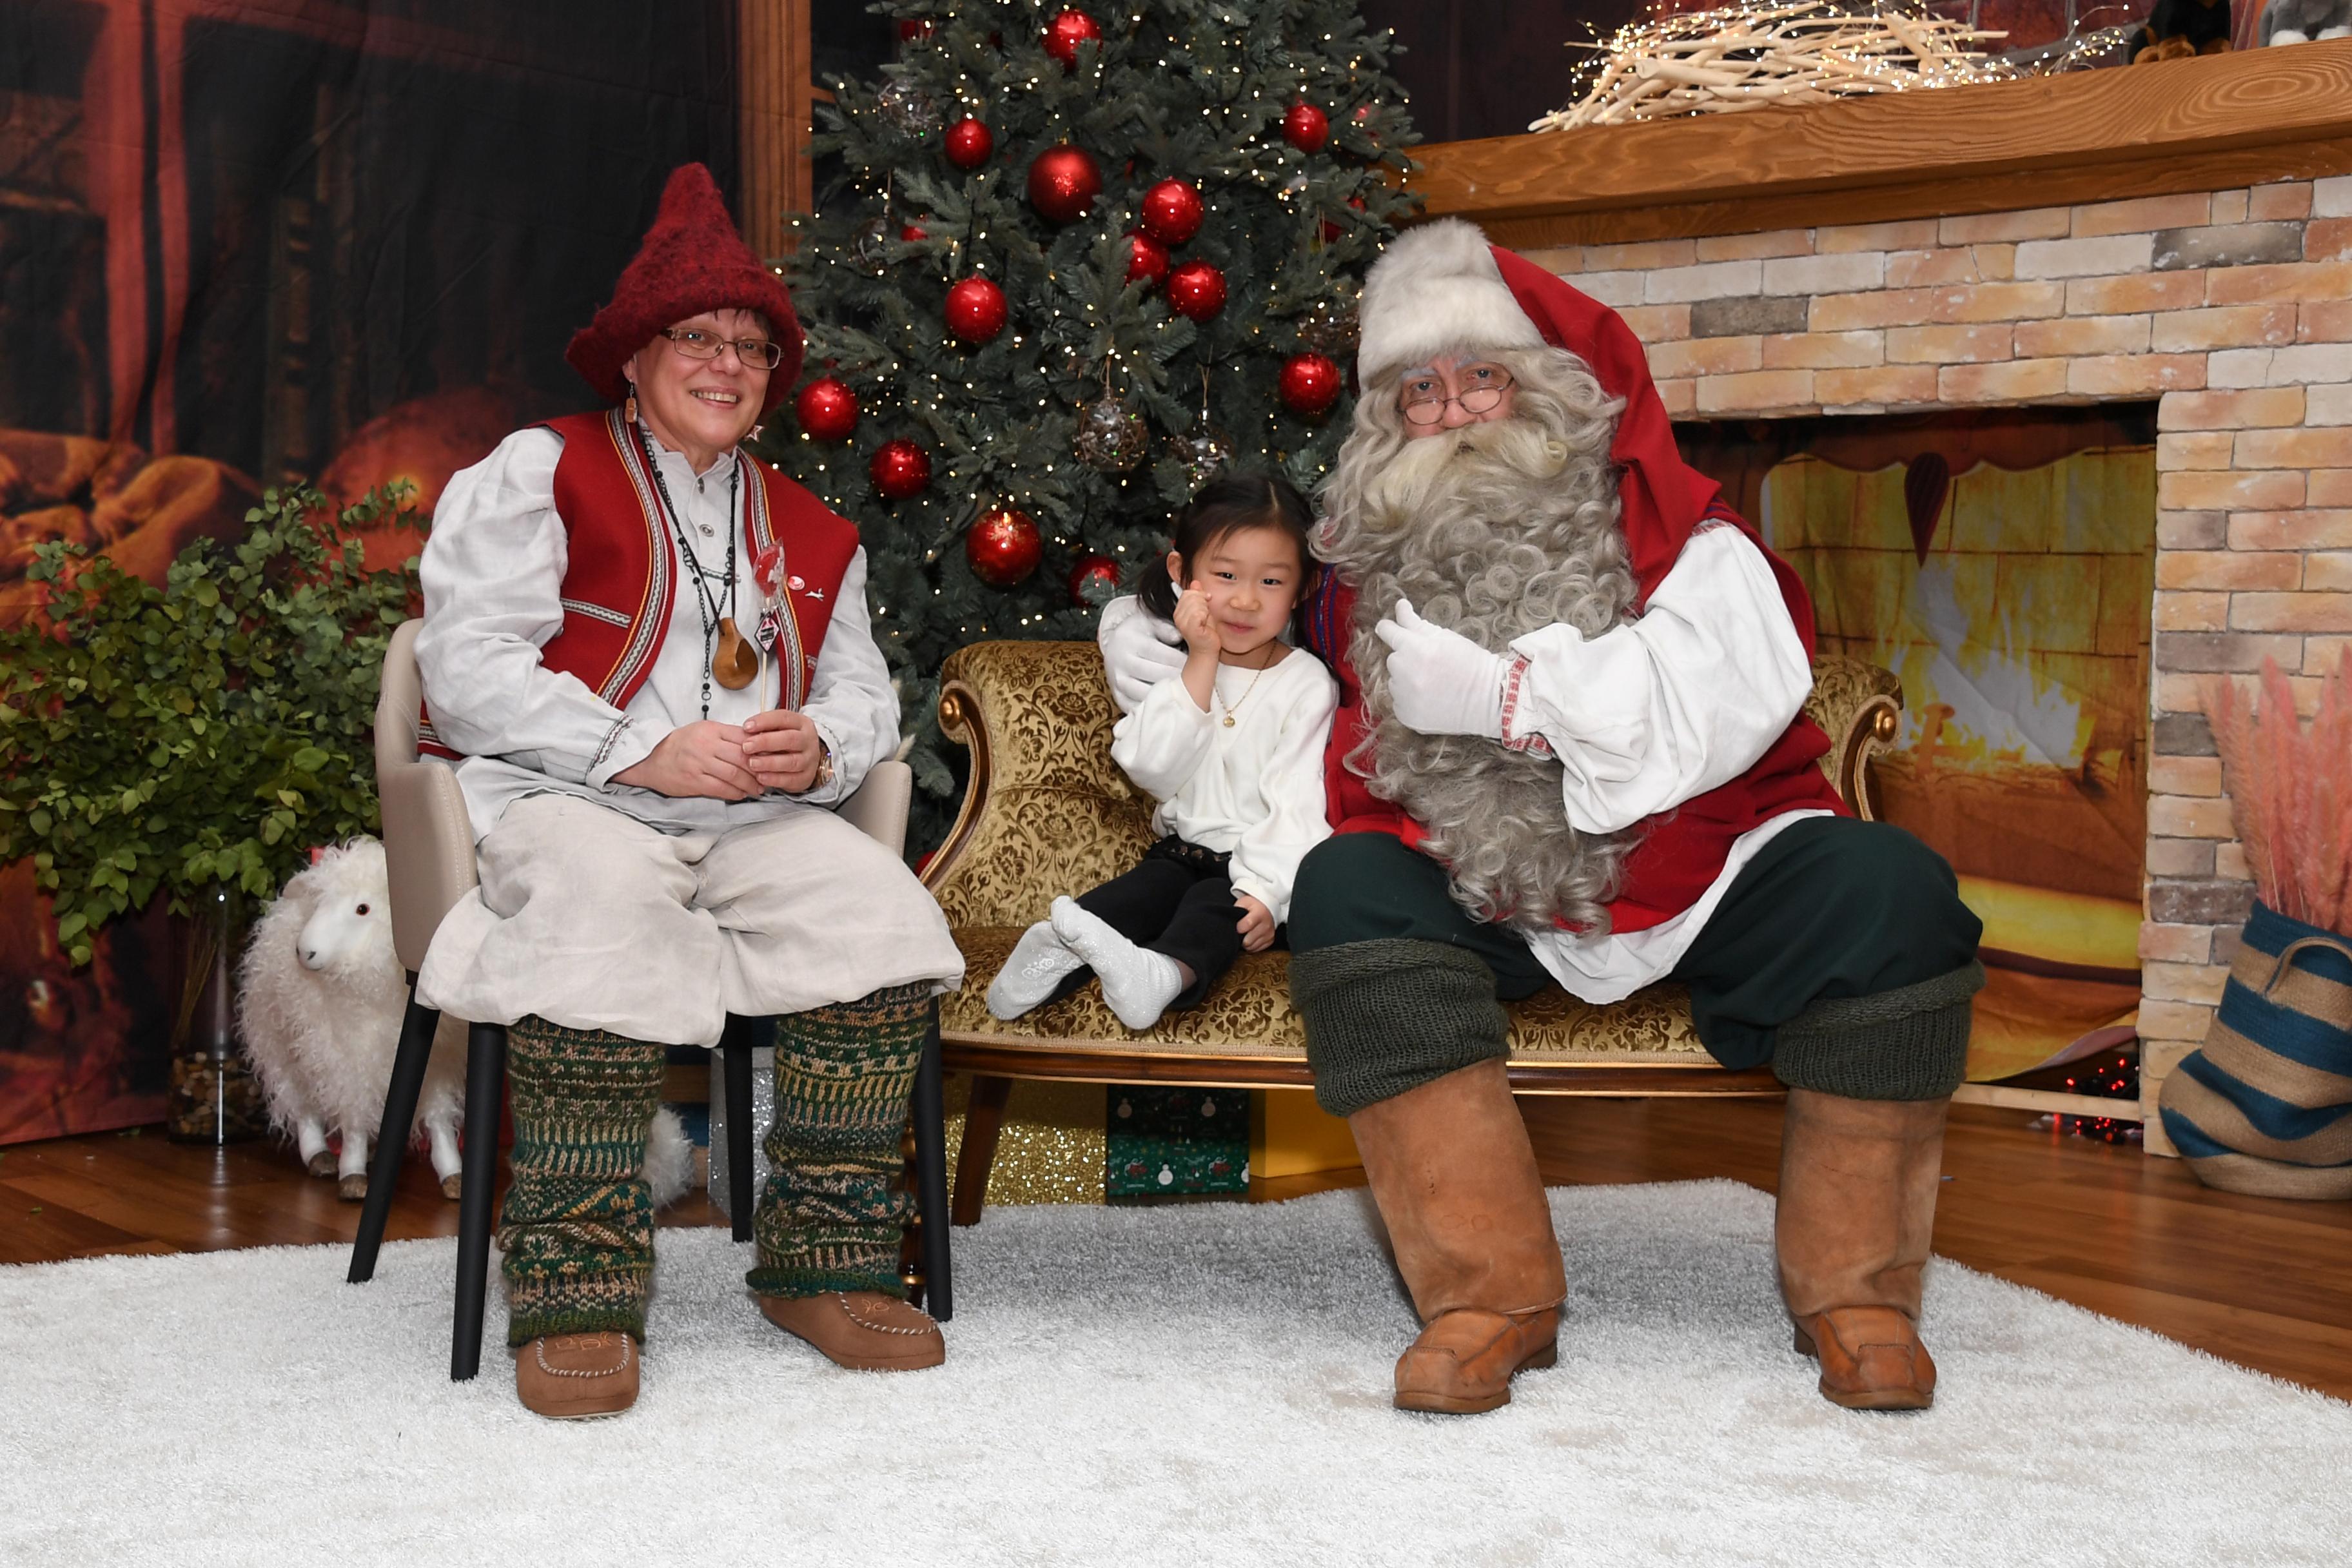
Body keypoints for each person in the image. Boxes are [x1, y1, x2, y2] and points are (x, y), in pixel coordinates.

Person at [1101, 219, 1983, 1416]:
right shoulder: (1354, 572)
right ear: (1384, 425)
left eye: (1483, 375)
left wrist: (1510, 699)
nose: (1456, 409)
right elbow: (1218, 628)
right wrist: (1155, 630)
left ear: (1551, 391)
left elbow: (1726, 699)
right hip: (1470, 874)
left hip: (1696, 859)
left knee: (1890, 892)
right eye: (1419, 390)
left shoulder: (1674, 525)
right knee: (1352, 891)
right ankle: (1486, 1296)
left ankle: (1856, 1293)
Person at [413, 164, 965, 1420]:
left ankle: (821, 1261)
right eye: (699, 337)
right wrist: (632, 749)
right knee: (599, 904)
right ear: (638, 355)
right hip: (567, 802)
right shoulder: (538, 470)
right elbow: (462, 670)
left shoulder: (814, 531)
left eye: (753, 347)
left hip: (749, 822)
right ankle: (577, 1288)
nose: (728, 363)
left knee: (879, 923)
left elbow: (870, 700)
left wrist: (815, 749)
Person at [990, 472, 1336, 1032]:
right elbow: (1151, 767)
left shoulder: (1305, 683)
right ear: (1184, 576)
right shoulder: (1173, 664)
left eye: (1272, 582)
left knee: (1207, 916)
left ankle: (1164, 976)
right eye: (1225, 576)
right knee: (1135, 896)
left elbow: (1298, 806)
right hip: (1180, 853)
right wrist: (1199, 663)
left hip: (1247, 875)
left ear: (1299, 590)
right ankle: (1055, 953)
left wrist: (1269, 894)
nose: (1246, 600)